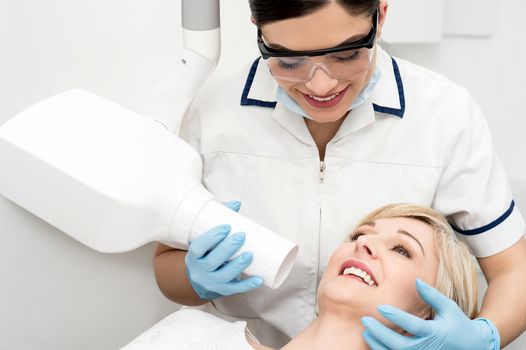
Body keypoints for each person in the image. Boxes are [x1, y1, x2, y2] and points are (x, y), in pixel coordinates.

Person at [153, 1, 526, 348]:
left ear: (380, 17)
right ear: (259, 31)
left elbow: (515, 270)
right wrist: (193, 275)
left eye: (346, 54)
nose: (321, 85)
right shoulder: (213, 112)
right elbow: (166, 263)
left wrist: (484, 338)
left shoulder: (445, 116)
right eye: (288, 61)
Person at [130, 204, 484, 349]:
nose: (366, 245)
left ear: (431, 315)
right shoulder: (195, 337)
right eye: (360, 235)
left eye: (402, 250)